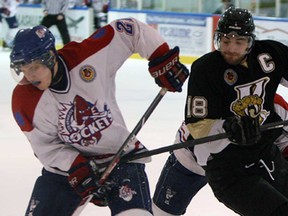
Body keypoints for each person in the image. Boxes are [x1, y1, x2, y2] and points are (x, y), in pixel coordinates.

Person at [10, 17, 189, 216]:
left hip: (119, 157)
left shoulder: (87, 56)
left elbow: (129, 30)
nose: (30, 76)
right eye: (23, 69)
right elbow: (46, 146)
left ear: (51, 57)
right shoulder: (24, 100)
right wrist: (75, 166)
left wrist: (162, 58)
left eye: (34, 67)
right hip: (67, 170)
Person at [153, 7, 288, 216]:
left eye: (239, 42)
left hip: (252, 158)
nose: (231, 49)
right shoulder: (206, 69)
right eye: (225, 41)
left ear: (250, 42)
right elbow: (198, 126)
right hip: (195, 156)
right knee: (162, 213)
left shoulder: (271, 58)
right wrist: (228, 126)